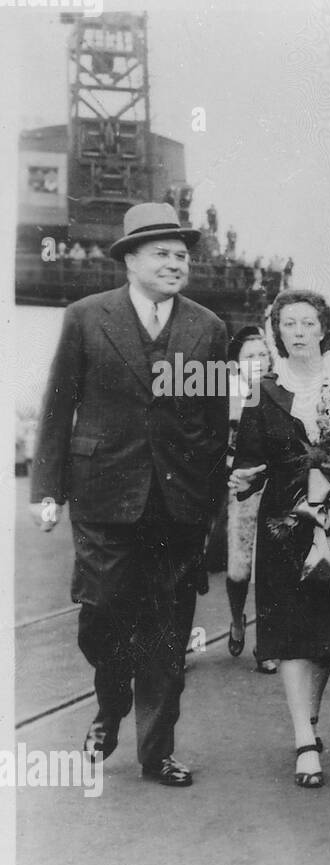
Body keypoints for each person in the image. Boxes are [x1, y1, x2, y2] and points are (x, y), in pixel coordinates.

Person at [29, 202, 228, 787]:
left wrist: (209, 500)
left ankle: (156, 751)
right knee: (102, 617)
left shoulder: (207, 328)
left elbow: (213, 422)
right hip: (102, 497)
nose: (175, 264)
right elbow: (58, 406)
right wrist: (47, 490)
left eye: (182, 256)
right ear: (131, 260)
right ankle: (111, 700)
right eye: (162, 254)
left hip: (178, 505)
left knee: (168, 632)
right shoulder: (86, 318)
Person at [230, 289, 330, 787]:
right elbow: (249, 465)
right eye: (289, 324)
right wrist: (241, 478)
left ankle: (309, 722)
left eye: (308, 323)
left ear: (324, 330)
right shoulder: (263, 393)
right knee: (291, 633)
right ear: (278, 333)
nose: (299, 332)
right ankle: (304, 741)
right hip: (284, 526)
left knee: (328, 635)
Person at [222, 326, 278, 674]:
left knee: (270, 567)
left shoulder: (277, 391)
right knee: (239, 567)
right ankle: (236, 618)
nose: (258, 361)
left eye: (263, 354)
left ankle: (266, 644)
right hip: (236, 487)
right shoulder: (227, 394)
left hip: (273, 485)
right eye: (250, 356)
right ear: (237, 364)